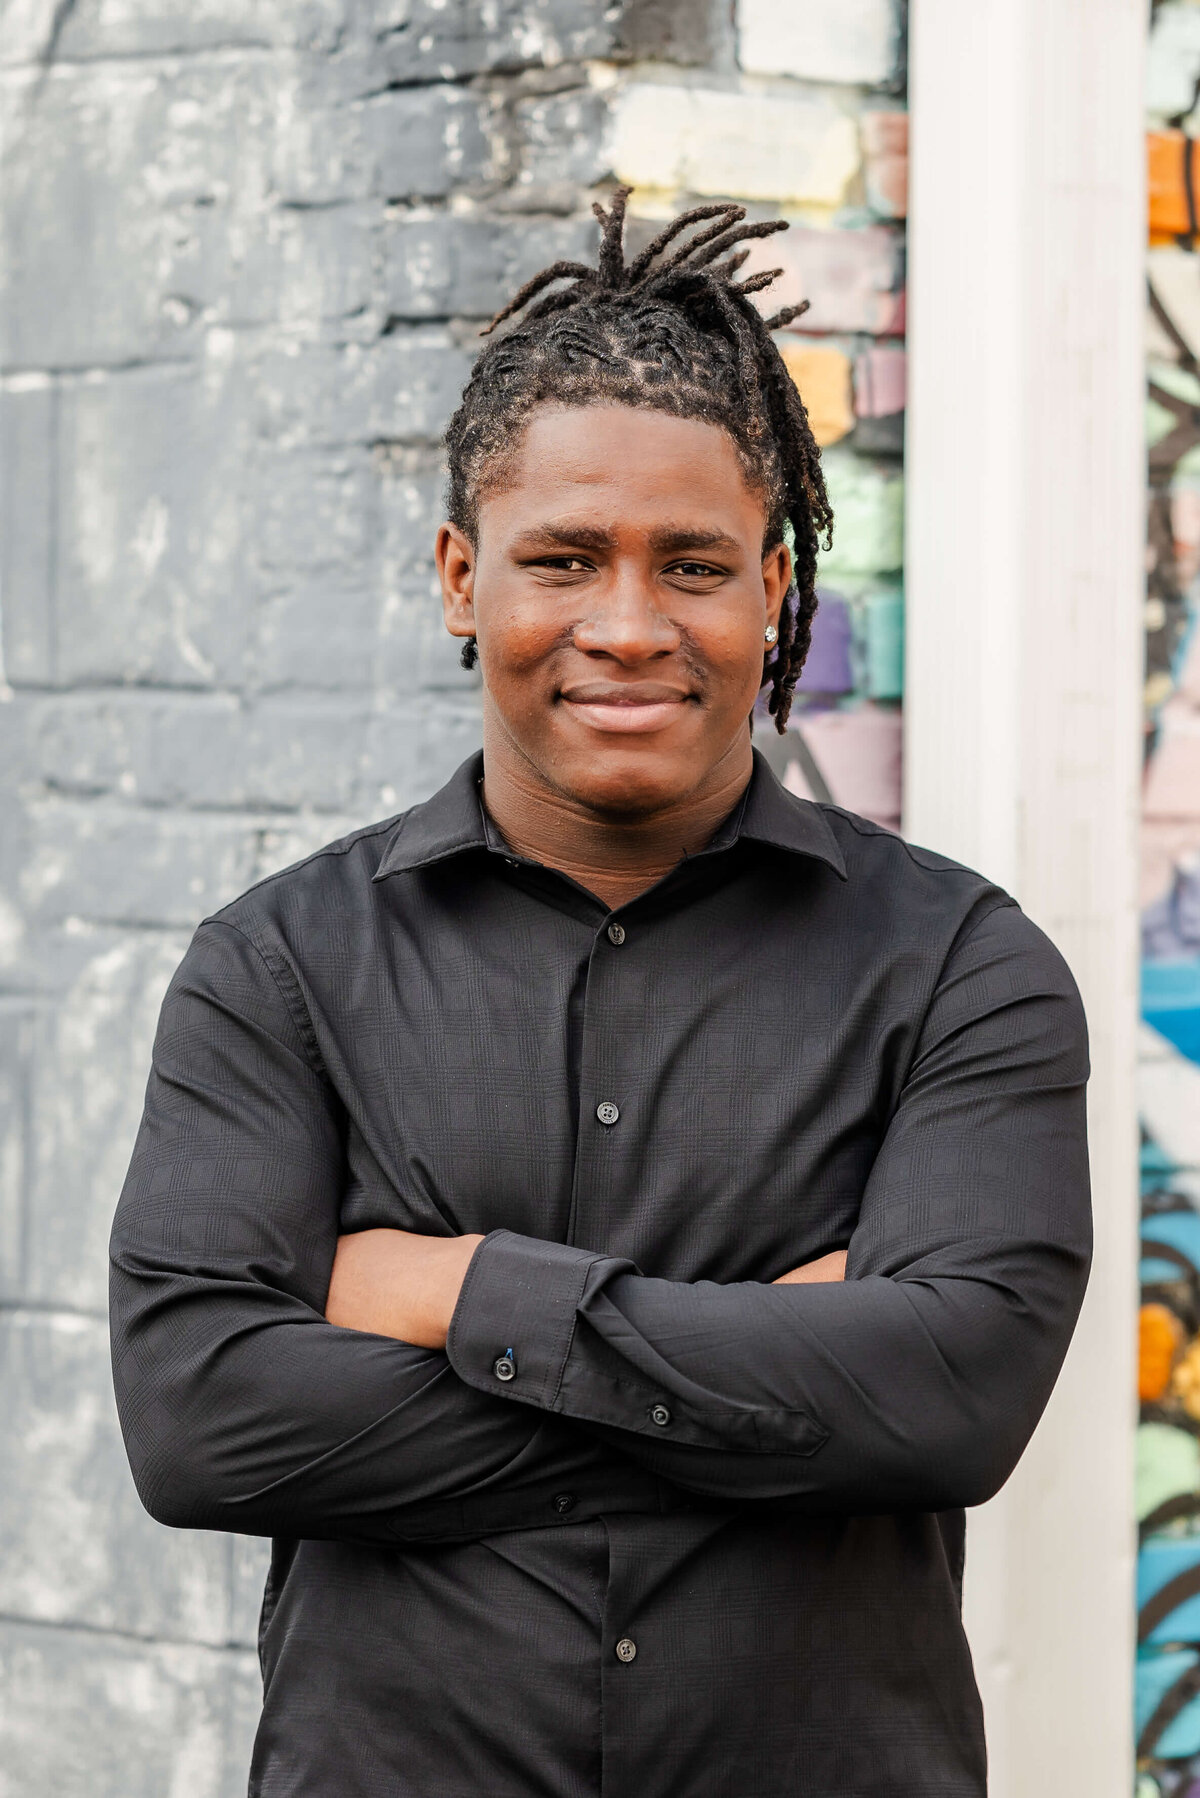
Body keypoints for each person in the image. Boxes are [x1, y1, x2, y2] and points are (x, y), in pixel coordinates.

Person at [109, 189, 1091, 1797]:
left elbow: (944, 1406)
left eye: (692, 562)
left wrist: (456, 1293)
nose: (626, 625)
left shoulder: (960, 970)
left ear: (776, 586)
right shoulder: (278, 969)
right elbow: (203, 1422)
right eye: (561, 558)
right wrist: (771, 1371)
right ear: (459, 577)